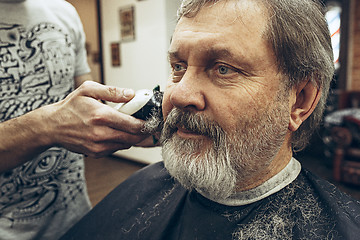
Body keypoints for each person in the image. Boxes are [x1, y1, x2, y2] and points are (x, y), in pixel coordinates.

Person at [61, 0, 360, 239]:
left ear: (300, 100)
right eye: (178, 66)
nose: (178, 94)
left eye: (223, 69)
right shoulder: (145, 185)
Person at [0, 0, 149, 239]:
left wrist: (133, 122)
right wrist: (45, 126)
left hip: (77, 218)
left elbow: (90, 102)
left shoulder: (64, 13)